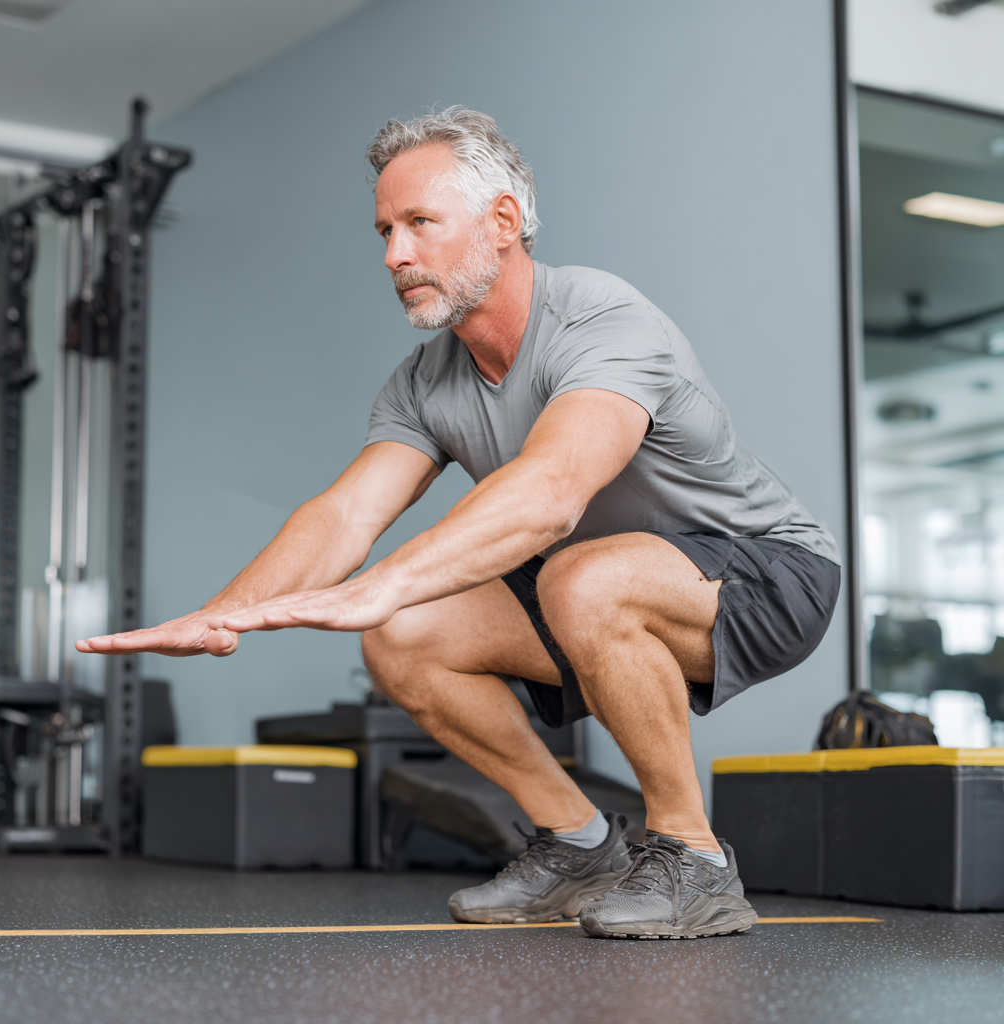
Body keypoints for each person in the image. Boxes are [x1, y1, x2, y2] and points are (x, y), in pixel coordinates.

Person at [79, 108, 840, 940]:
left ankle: (694, 860)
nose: (394, 256)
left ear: (504, 221)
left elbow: (552, 492)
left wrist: (379, 583)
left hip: (768, 573)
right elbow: (345, 512)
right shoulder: (426, 382)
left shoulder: (602, 320)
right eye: (384, 231)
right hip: (589, 579)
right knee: (402, 633)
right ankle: (579, 844)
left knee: (574, 577)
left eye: (419, 225)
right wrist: (227, 613)